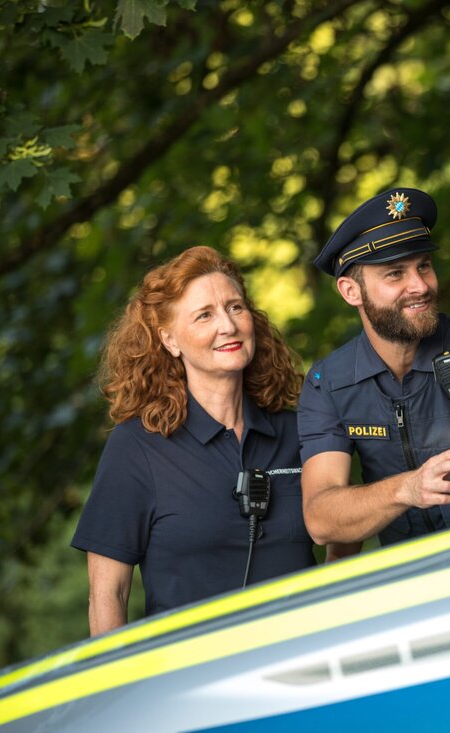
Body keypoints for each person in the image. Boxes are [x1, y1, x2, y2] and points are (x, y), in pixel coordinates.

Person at [71, 246, 315, 636]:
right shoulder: (136, 447)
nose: (228, 326)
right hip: (188, 681)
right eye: (205, 315)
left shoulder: (299, 431)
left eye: (235, 307)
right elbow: (108, 595)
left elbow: (342, 536)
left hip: (303, 670)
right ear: (170, 340)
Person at [299, 188, 450, 558]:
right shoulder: (326, 385)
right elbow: (321, 519)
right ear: (351, 291)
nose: (421, 286)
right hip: (405, 587)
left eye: (423, 266)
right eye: (395, 273)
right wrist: (407, 489)